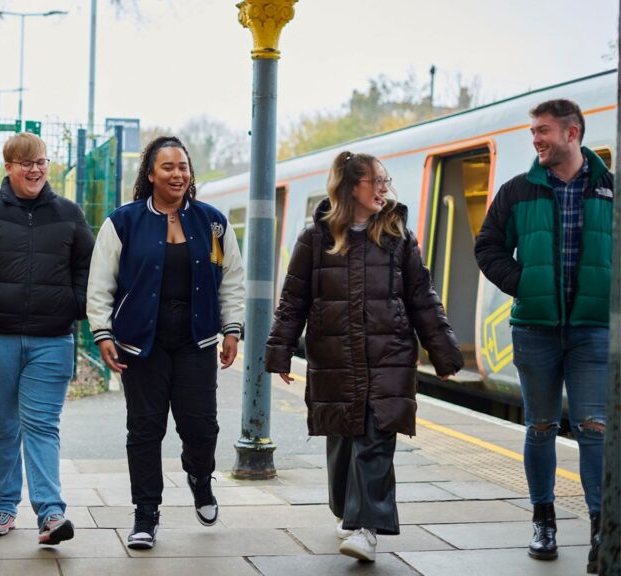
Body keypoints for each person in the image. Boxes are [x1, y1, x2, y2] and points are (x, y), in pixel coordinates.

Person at [265, 151, 463, 563]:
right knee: (342, 441)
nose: (384, 189)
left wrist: (443, 352)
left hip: (387, 356)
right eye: (377, 181)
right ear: (351, 186)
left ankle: (367, 527)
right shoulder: (314, 239)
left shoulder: (397, 238)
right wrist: (280, 351)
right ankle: (347, 511)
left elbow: (422, 298)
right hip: (335, 357)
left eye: (385, 181)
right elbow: (293, 300)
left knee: (374, 440)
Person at [87, 136, 245, 550]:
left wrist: (232, 329)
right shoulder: (124, 222)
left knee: (201, 426)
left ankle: (198, 475)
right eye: (168, 167)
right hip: (141, 344)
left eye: (183, 167)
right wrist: (103, 332)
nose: (178, 174)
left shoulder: (212, 223)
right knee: (145, 429)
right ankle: (145, 515)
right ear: (151, 174)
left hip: (196, 340)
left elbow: (232, 278)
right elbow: (100, 282)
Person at [474, 99, 611, 573]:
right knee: (541, 427)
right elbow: (487, 246)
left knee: (595, 428)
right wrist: (523, 283)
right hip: (535, 330)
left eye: (544, 131)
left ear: (572, 134)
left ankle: (602, 531)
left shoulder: (609, 189)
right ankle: (543, 522)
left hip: (594, 332)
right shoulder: (517, 192)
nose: (536, 139)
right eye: (534, 131)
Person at [0, 132, 94, 546]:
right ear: (8, 167)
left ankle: (50, 513)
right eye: (25, 162)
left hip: (52, 339)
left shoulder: (68, 214)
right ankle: (4, 505)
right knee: (4, 425)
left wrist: (73, 306)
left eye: (41, 161)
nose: (35, 169)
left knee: (42, 424)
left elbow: (88, 268)